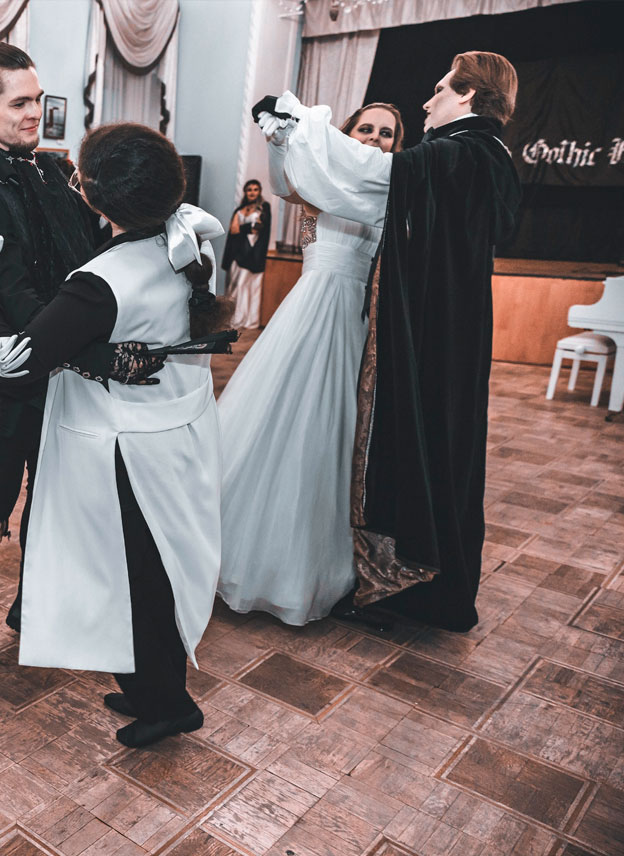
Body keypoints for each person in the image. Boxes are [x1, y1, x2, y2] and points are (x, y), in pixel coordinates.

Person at [0, 39, 138, 751]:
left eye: (38, 99)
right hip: (13, 377)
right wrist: (93, 350)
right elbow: (18, 298)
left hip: (68, 374)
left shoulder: (54, 172)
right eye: (20, 102)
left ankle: (33, 604)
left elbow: (90, 262)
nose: (36, 112)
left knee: (57, 500)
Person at [0, 123, 230, 747]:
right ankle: (151, 690)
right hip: (173, 436)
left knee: (130, 579)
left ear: (92, 196)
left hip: (124, 451)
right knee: (152, 571)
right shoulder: (187, 241)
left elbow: (17, 359)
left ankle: (168, 705)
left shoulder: (100, 283)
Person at [253, 51, 522, 631]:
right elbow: (342, 185)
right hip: (425, 329)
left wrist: (305, 123)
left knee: (389, 440)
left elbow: (372, 176)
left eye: (439, 89)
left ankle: (409, 579)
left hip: (415, 333)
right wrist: (291, 139)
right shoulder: (483, 156)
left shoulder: (456, 154)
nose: (428, 100)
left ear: (467, 94)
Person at [217, 103, 403, 626]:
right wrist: (282, 142)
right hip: (312, 311)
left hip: (355, 321)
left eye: (387, 133)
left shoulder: (387, 188)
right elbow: (285, 184)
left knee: (333, 434)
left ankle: (323, 564)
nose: (375, 139)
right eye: (365, 129)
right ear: (344, 133)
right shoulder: (324, 181)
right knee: (287, 418)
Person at [221, 180, 270, 329]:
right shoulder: (239, 209)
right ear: (245, 192)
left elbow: (259, 229)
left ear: (259, 191)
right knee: (233, 284)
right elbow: (233, 231)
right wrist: (248, 227)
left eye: (255, 189)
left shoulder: (264, 208)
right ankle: (231, 319)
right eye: (249, 190)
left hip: (252, 253)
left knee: (244, 285)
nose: (252, 192)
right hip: (237, 251)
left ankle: (244, 320)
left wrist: (242, 228)